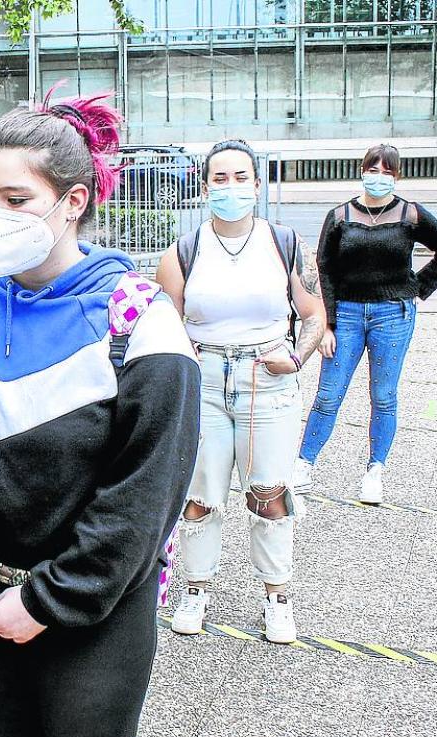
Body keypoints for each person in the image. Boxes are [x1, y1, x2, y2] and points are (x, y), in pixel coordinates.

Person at [0, 94, 200, 737]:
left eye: (16, 197)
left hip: (99, 612)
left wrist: (48, 599)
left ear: (74, 201)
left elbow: (144, 498)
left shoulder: (141, 324)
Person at [155, 139, 326, 644]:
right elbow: (167, 325)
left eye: (241, 177)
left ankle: (277, 597)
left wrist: (296, 358)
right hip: (205, 380)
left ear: (257, 183)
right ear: (206, 186)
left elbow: (314, 315)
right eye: (220, 178)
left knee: (269, 492)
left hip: (267, 380)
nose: (231, 187)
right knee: (199, 497)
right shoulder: (183, 252)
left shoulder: (285, 243)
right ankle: (195, 590)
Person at [293, 144, 437, 503]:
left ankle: (375, 470)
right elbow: (324, 269)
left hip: (392, 315)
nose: (380, 177)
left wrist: (420, 287)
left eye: (388, 172)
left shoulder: (410, 214)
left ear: (397, 176)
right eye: (374, 169)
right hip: (349, 315)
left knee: (383, 396)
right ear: (362, 170)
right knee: (328, 393)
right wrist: (327, 325)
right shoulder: (340, 216)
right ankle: (304, 464)